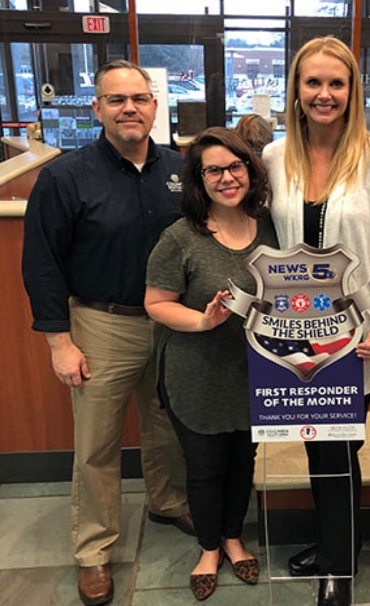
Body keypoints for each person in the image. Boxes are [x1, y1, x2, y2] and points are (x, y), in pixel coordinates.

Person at [22, 59, 192, 606]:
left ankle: (166, 502)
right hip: (102, 325)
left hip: (171, 324)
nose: (129, 109)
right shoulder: (65, 177)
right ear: (97, 108)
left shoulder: (180, 170)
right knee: (97, 443)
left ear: (154, 105)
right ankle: (93, 551)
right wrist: (59, 341)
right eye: (116, 100)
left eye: (139, 99)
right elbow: (41, 262)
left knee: (167, 427)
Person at [263, 36, 370, 606]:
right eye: (313, 83)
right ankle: (335, 545)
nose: (324, 94)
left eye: (336, 83)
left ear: (352, 92)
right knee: (312, 442)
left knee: (339, 447)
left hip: (358, 334)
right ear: (296, 91)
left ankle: (336, 570)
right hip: (293, 330)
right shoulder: (275, 159)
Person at [144, 127, 277, 601]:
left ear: (250, 170)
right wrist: (203, 321)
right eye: (213, 170)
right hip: (196, 373)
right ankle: (208, 548)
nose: (226, 178)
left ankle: (234, 537)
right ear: (199, 181)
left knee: (243, 461)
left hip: (256, 374)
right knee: (203, 468)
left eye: (234, 166)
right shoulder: (180, 237)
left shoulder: (272, 229)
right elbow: (156, 303)